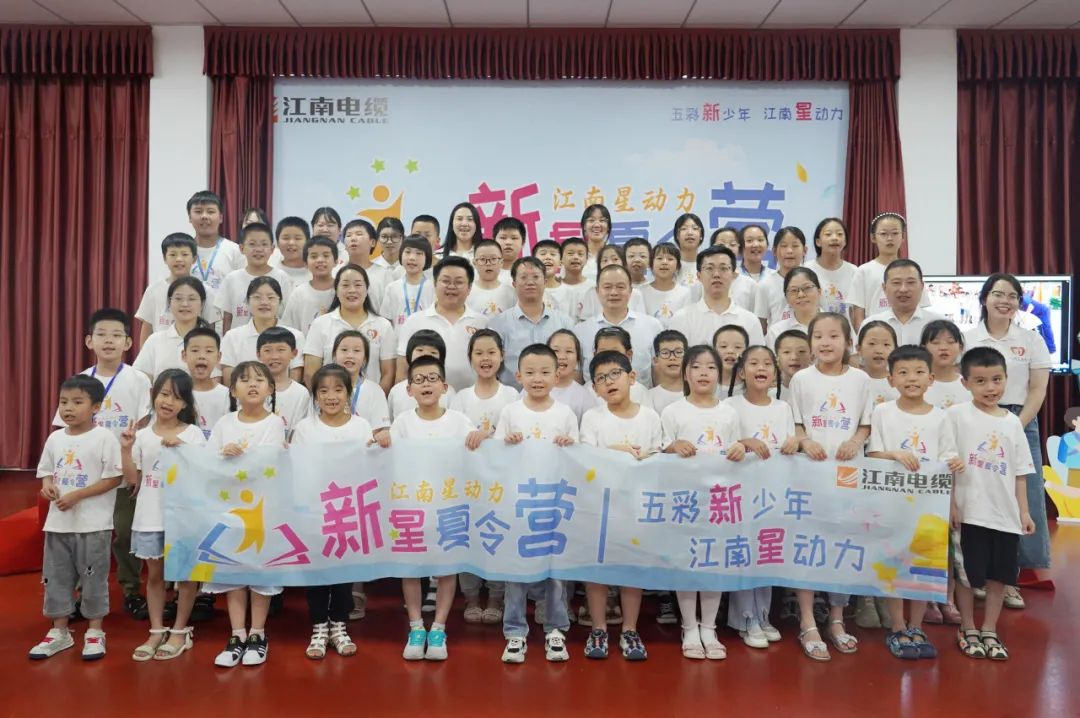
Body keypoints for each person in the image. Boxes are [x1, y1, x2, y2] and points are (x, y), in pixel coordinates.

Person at [53, 309, 152, 621]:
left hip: (124, 471)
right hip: (88, 476)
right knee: (85, 535)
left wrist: (136, 468)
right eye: (102, 334)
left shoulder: (138, 379)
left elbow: (145, 425)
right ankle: (83, 594)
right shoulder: (80, 381)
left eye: (116, 335)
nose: (109, 341)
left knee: (125, 534)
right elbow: (64, 428)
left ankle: (131, 590)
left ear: (128, 343)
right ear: (89, 341)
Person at [388, 356, 488, 661]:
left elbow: (480, 451)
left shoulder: (458, 421)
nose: (426, 385)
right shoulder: (402, 422)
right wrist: (379, 440)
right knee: (410, 568)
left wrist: (483, 436)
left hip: (448, 508)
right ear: (409, 390)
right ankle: (416, 626)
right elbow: (386, 458)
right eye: (419, 380)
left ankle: (439, 628)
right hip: (411, 508)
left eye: (432, 378)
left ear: (445, 386)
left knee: (447, 568)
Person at [867, 346, 964, 660]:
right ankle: (897, 626)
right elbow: (872, 454)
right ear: (891, 379)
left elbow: (948, 460)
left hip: (929, 507)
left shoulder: (941, 417)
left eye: (919, 372)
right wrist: (894, 454)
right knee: (895, 564)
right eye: (904, 373)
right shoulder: (883, 412)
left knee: (924, 567)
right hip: (892, 503)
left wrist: (952, 495)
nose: (912, 378)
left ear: (931, 378)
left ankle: (916, 626)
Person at [963, 273, 1052, 609]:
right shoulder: (967, 338)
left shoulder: (1031, 339)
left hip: (1019, 420)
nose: (1005, 300)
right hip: (974, 421)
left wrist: (1014, 425)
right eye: (998, 293)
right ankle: (976, 577)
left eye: (1013, 296)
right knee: (977, 496)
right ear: (984, 298)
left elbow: (1037, 389)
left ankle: (1010, 578)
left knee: (1023, 496)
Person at [789, 312, 872, 661]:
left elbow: (866, 424)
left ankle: (837, 619)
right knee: (809, 545)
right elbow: (796, 424)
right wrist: (806, 441)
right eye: (819, 336)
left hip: (848, 475)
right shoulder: (801, 379)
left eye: (834, 336)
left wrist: (854, 441)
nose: (826, 342)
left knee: (843, 545)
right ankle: (808, 620)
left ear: (848, 342)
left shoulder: (861, 379)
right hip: (809, 473)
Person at [949, 347, 1038, 661]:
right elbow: (947, 465)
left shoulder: (1012, 422)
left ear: (1006, 379)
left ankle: (989, 628)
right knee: (966, 576)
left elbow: (1020, 472)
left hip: (1004, 516)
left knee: (999, 576)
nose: (990, 387)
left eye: (997, 380)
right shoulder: (956, 416)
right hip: (969, 512)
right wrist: (952, 505)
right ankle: (967, 627)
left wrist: (1023, 511)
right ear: (965, 383)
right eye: (981, 381)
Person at [493, 344, 577, 663]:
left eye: (544, 372)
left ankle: (556, 628)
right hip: (519, 504)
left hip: (554, 504)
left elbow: (579, 459)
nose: (537, 378)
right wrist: (506, 443)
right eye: (530, 372)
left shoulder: (565, 413)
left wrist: (570, 445)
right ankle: (515, 631)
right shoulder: (510, 412)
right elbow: (495, 459)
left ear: (557, 376)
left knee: (555, 572)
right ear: (518, 376)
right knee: (516, 570)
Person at [29, 375, 123, 660]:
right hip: (58, 524)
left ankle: (95, 631)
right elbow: (46, 472)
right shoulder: (55, 438)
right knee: (56, 577)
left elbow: (114, 478)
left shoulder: (104, 438)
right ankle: (60, 631)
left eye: (77, 402)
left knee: (93, 579)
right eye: (64, 402)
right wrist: (47, 486)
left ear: (95, 407)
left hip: (93, 525)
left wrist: (77, 495)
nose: (68, 408)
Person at [661, 345, 746, 661]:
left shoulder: (729, 412)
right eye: (696, 367)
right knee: (688, 562)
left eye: (710, 367)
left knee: (714, 562)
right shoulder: (672, 411)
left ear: (719, 374)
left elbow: (737, 450)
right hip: (685, 499)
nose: (704, 373)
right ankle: (689, 627)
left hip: (720, 500)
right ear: (686, 373)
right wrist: (673, 446)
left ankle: (709, 627)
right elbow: (659, 453)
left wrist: (739, 449)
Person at [580, 350, 662, 661]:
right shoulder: (593, 418)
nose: (609, 382)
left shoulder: (649, 416)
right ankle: (598, 628)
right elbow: (585, 458)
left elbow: (659, 456)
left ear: (632, 377)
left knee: (632, 568)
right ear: (594, 388)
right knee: (597, 569)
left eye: (615, 374)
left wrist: (642, 458)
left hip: (636, 505)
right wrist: (617, 451)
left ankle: (629, 629)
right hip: (600, 505)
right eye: (601, 378)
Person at [205, 361, 287, 667]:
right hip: (229, 510)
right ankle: (237, 633)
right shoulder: (224, 423)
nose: (252, 384)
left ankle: (258, 633)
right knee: (234, 573)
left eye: (259, 379)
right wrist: (222, 455)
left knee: (259, 572)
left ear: (270, 388)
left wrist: (238, 461)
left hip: (262, 509)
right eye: (244, 380)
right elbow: (207, 464)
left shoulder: (275, 423)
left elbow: (267, 463)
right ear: (232, 390)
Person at [121, 369, 205, 661]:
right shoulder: (142, 436)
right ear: (154, 395)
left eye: (177, 397)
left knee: (185, 575)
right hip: (150, 516)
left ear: (186, 404)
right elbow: (134, 481)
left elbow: (204, 474)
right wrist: (126, 449)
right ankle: (156, 630)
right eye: (164, 394)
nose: (168, 402)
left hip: (184, 518)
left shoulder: (193, 434)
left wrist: (184, 450)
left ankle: (180, 630)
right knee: (155, 575)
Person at [292, 364, 371, 660]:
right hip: (315, 511)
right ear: (315, 396)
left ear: (348, 393)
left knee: (343, 572)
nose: (331, 396)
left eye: (338, 389)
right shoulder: (305, 429)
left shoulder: (361, 427)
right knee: (316, 572)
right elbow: (297, 469)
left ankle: (339, 624)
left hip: (348, 512)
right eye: (323, 391)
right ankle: (318, 626)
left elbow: (369, 467)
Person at [725, 345, 796, 648]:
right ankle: (745, 618)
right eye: (753, 363)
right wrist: (745, 441)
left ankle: (763, 614)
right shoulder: (730, 405)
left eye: (767, 363)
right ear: (742, 372)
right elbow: (724, 443)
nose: (761, 368)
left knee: (766, 550)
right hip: (741, 492)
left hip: (772, 492)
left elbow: (790, 444)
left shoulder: (783, 408)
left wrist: (794, 443)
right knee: (743, 552)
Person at [450, 330, 517, 625]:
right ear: (470, 358)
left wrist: (491, 435)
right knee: (469, 539)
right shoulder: (461, 397)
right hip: (468, 483)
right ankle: (471, 598)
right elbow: (452, 437)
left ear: (502, 356)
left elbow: (516, 436)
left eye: (492, 352)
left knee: (496, 537)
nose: (485, 359)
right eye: (479, 353)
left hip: (501, 483)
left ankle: (496, 597)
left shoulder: (512, 395)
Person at [396, 256, 488, 392]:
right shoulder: (414, 321)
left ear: (469, 288)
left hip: (471, 398)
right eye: (445, 281)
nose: (451, 286)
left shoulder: (482, 323)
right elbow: (403, 371)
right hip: (426, 399)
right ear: (435, 284)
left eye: (459, 282)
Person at [304, 264, 396, 395]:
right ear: (336, 290)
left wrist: (374, 399)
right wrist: (328, 399)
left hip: (370, 402)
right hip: (329, 402)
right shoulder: (320, 324)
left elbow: (388, 373)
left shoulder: (383, 325)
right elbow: (310, 373)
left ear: (367, 289)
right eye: (345, 285)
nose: (352, 290)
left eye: (358, 285)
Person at [488, 257, 576, 389]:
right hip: (513, 396)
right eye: (523, 277)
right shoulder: (497, 325)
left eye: (536, 277)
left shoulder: (564, 322)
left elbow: (575, 365)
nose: (530, 282)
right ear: (514, 283)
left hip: (557, 396)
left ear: (545, 282)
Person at [575, 264, 663, 388]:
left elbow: (659, 373)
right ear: (597, 291)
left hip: (640, 397)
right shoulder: (581, 331)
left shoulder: (652, 326)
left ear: (630, 291)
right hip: (595, 398)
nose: (614, 292)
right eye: (607, 287)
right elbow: (577, 378)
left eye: (620, 287)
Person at [669, 246, 765, 348]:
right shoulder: (682, 318)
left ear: (733, 275)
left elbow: (757, 356)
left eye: (723, 268)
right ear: (699, 276)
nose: (716, 274)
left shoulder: (750, 320)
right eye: (709, 268)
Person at [849, 212, 931, 330]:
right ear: (873, 237)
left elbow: (921, 307)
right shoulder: (864, 271)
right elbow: (858, 312)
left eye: (895, 233)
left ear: (903, 237)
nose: (889, 238)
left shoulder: (911, 270)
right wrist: (863, 337)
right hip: (876, 334)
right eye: (883, 234)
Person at [135, 233, 217, 347]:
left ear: (194, 258)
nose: (179, 259)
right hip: (162, 350)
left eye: (184, 254)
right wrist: (144, 354)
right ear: (165, 258)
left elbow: (210, 326)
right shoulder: (154, 290)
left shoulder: (206, 291)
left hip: (194, 350)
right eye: (173, 254)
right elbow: (147, 326)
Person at [220, 277, 304, 386]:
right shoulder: (232, 337)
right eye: (257, 297)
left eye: (271, 297)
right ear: (247, 302)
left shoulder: (296, 336)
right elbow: (230, 382)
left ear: (280, 302)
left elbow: (294, 383)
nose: (264, 302)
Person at [214, 222, 294, 333]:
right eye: (252, 244)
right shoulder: (232, 279)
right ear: (242, 248)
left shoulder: (282, 278)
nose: (258, 249)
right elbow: (228, 318)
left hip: (274, 340)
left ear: (272, 249)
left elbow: (288, 316)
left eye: (264, 244)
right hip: (240, 341)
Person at [135, 278, 215, 380]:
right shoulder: (154, 341)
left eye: (191, 299)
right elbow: (141, 381)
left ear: (202, 304)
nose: (185, 304)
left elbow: (214, 382)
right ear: (169, 303)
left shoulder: (212, 343)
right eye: (178, 298)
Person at [864, 259, 943, 344]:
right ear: (884, 288)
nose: (903, 289)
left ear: (922, 286)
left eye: (910, 282)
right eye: (896, 283)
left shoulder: (940, 324)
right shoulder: (870, 325)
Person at [388, 330, 458, 421]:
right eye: (420, 350)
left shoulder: (448, 392)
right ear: (409, 354)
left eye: (433, 352)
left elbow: (454, 421)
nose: (425, 355)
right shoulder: (396, 391)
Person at [332, 330, 391, 436]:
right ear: (334, 356)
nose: (350, 355)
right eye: (344, 350)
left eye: (356, 351)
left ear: (365, 359)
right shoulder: (322, 389)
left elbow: (380, 430)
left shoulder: (375, 391)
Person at [187, 190, 245, 297]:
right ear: (190, 218)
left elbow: (243, 290)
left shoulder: (235, 251)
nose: (204, 216)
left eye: (210, 212)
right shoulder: (183, 251)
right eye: (198, 211)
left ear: (221, 218)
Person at [257, 327, 311, 441]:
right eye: (267, 350)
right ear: (258, 355)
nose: (274, 356)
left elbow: (300, 432)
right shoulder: (251, 389)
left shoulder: (301, 393)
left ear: (294, 353)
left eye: (281, 350)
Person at [754, 226, 809, 333]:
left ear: (805, 250)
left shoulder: (812, 281)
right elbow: (761, 323)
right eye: (784, 246)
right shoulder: (765, 284)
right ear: (774, 251)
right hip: (776, 340)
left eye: (795, 246)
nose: (789, 251)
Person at [281, 236, 338, 335]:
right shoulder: (299, 293)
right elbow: (289, 329)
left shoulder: (342, 291)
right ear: (305, 263)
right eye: (314, 256)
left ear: (336, 261)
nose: (320, 260)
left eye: (326, 255)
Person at [576, 245, 649, 320]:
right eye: (605, 260)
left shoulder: (636, 293)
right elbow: (586, 321)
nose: (610, 263)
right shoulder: (591, 293)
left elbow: (642, 320)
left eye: (615, 259)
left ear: (624, 263)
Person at [182, 326, 229, 441]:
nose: (201, 356)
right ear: (184, 355)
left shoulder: (226, 395)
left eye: (209, 351)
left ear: (218, 357)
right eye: (195, 350)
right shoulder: (177, 393)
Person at [804, 217, 856, 318]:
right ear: (818, 242)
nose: (835, 238)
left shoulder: (854, 271)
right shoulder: (806, 270)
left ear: (845, 241)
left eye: (839, 234)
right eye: (828, 234)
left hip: (846, 327)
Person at [379, 236, 435, 328]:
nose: (412, 257)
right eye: (407, 252)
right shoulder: (392, 288)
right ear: (401, 255)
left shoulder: (433, 288)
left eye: (419, 253)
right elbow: (386, 321)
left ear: (427, 258)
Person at [764, 267, 822, 348]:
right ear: (786, 298)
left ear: (819, 291)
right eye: (794, 290)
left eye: (807, 288)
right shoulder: (776, 332)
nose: (801, 295)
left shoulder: (835, 324)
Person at [922, 320, 972, 411]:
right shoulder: (917, 384)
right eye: (936, 342)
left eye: (950, 342)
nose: (943, 348)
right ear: (924, 348)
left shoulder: (969, 386)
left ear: (960, 347)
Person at [857, 321, 899, 428]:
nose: (879, 350)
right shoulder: (852, 380)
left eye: (886, 345)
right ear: (859, 349)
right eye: (872, 344)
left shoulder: (901, 383)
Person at [339, 219, 391, 304]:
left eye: (359, 234)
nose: (353, 238)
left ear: (373, 242)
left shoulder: (385, 275)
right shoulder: (336, 272)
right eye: (348, 235)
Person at [547, 329, 595, 421]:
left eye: (569, 351)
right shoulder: (532, 388)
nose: (562, 357)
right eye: (556, 350)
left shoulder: (584, 397)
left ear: (578, 358)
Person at [639, 243, 692, 325]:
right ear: (651, 264)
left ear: (677, 266)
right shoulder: (640, 292)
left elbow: (687, 322)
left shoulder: (685, 293)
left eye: (670, 259)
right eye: (659, 258)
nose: (664, 262)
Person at [465, 239, 515, 317]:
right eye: (482, 259)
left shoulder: (512, 293)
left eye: (493, 259)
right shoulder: (465, 292)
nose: (488, 263)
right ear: (474, 263)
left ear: (501, 262)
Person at [647, 330, 689, 415]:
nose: (672, 358)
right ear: (655, 360)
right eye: (665, 353)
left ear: (688, 357)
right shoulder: (649, 396)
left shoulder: (697, 392)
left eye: (679, 352)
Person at [548, 237, 591, 318]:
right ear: (561, 258)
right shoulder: (553, 286)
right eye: (570, 253)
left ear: (586, 259)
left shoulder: (593, 287)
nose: (576, 257)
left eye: (580, 254)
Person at [269, 216, 313, 286]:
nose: (291, 243)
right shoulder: (270, 272)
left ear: (307, 242)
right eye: (286, 238)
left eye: (297, 238)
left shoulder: (316, 272)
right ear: (277, 243)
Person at [774, 329, 811, 404]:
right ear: (777, 358)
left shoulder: (821, 392)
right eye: (787, 352)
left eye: (801, 351)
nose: (794, 357)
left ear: (811, 357)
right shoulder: (768, 396)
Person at [673, 213, 706, 290]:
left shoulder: (708, 266)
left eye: (695, 228)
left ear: (701, 235)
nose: (690, 233)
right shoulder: (670, 265)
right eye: (684, 228)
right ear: (677, 236)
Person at [714, 325, 748, 398]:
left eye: (738, 347)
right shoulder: (704, 384)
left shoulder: (752, 386)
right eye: (723, 346)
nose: (730, 351)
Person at [580, 204, 612, 279]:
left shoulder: (616, 255)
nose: (597, 225)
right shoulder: (576, 256)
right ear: (584, 226)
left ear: (608, 227)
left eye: (602, 220)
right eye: (591, 220)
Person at [532, 239, 565, 311]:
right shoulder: (526, 290)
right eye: (543, 254)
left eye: (553, 254)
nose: (548, 257)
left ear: (560, 263)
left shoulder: (569, 291)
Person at [493, 217, 526, 284]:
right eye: (503, 237)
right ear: (494, 242)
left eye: (514, 238)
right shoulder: (482, 272)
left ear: (523, 243)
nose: (508, 242)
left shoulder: (530, 272)